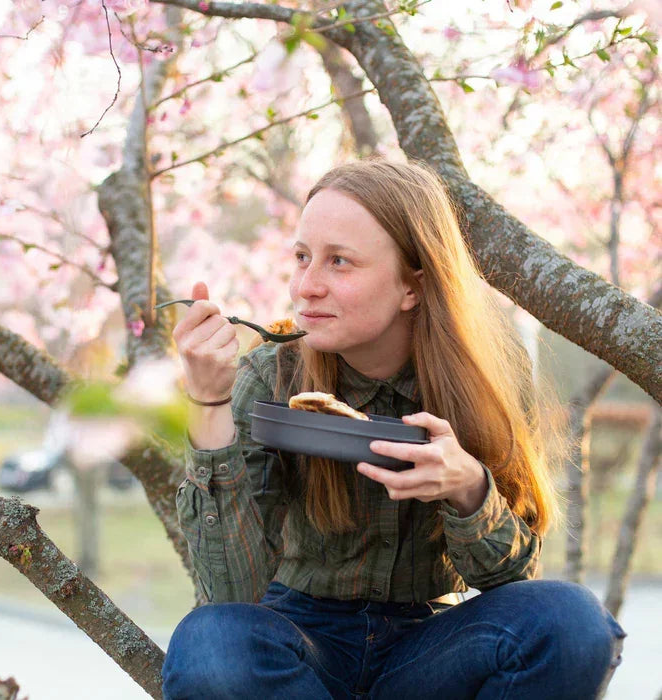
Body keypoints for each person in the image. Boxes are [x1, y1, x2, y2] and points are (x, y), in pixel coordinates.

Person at [161, 159, 626, 699]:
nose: (306, 286)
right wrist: (209, 401)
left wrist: (468, 488)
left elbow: (512, 581)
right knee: (212, 643)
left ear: (413, 285)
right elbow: (231, 593)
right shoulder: (268, 375)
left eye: (340, 262)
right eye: (302, 257)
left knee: (571, 623)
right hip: (298, 647)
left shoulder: (484, 382)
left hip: (427, 647)